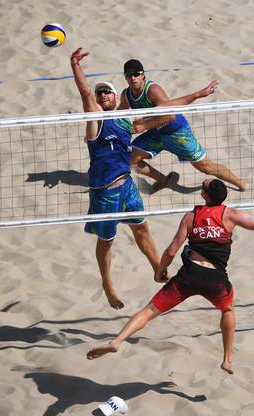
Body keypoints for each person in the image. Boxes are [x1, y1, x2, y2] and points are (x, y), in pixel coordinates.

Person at [85, 178, 254, 374]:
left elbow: (172, 250)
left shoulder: (191, 216)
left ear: (205, 196)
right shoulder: (231, 215)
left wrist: (159, 270)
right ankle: (227, 359)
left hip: (189, 275)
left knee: (148, 311)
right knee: (227, 310)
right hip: (216, 280)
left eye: (202, 187)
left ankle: (117, 341)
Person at [71, 47, 175, 310]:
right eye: (100, 93)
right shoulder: (95, 120)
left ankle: (157, 269)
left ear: (117, 98)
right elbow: (84, 93)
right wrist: (75, 65)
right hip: (104, 191)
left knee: (141, 227)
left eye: (107, 91)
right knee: (106, 242)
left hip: (126, 186)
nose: (103, 95)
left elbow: (166, 109)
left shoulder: (127, 121)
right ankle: (107, 284)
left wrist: (198, 95)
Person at [118, 58, 247, 191]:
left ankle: (241, 184)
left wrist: (143, 126)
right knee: (130, 159)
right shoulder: (126, 94)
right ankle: (165, 181)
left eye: (136, 74)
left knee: (205, 167)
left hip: (177, 133)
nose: (133, 78)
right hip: (156, 133)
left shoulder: (152, 90)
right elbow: (119, 115)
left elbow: (170, 115)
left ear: (143, 74)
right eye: (129, 75)